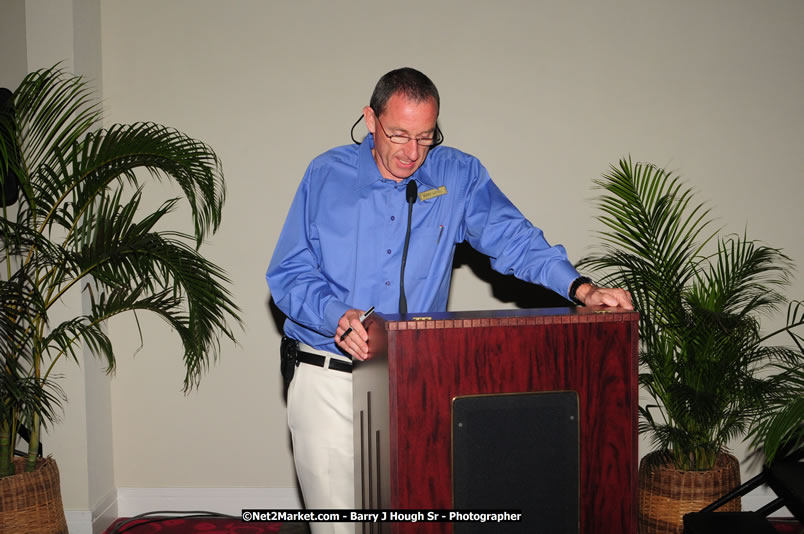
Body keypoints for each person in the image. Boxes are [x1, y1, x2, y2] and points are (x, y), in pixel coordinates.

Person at [266, 67, 632, 534]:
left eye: (424, 137)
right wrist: (337, 314)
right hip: (329, 381)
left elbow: (514, 239)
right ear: (369, 119)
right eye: (398, 134)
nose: (411, 152)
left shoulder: (457, 174)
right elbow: (288, 272)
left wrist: (582, 288)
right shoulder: (325, 175)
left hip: (417, 384)